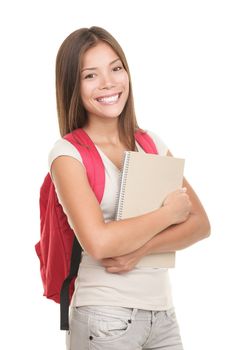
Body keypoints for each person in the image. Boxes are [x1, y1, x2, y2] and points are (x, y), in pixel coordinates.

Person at [48, 26, 210, 350]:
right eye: (90, 75)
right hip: (104, 318)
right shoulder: (68, 154)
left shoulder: (150, 143)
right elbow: (99, 243)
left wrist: (140, 251)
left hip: (162, 316)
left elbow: (200, 224)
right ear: (72, 86)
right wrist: (168, 214)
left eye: (116, 68)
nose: (109, 83)